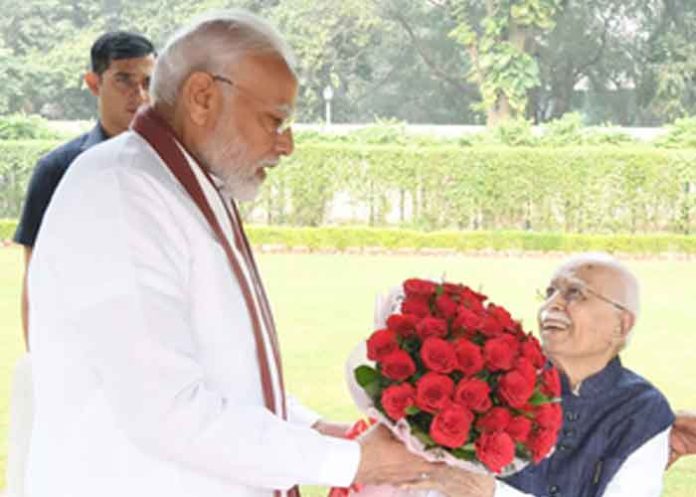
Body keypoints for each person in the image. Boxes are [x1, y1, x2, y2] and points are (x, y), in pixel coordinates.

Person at [25, 10, 437, 497]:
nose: (287, 145)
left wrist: (323, 431)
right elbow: (166, 410)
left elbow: (232, 377)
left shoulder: (183, 185)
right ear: (203, 96)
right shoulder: (121, 190)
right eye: (274, 119)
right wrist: (350, 461)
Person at [410, 253, 674, 497]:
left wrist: (493, 493)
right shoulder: (494, 377)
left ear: (621, 324)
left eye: (575, 293)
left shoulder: (643, 410)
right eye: (549, 292)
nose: (551, 304)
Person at [13, 30, 156, 348]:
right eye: (124, 79)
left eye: (148, 82)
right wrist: (38, 362)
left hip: (158, 343)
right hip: (82, 344)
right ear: (94, 83)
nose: (140, 94)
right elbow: (36, 278)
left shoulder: (171, 168)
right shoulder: (56, 170)